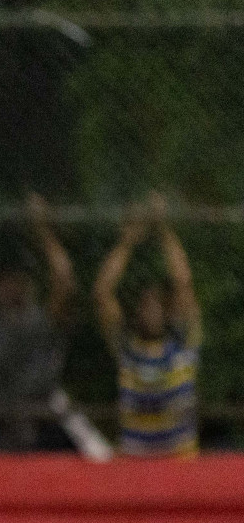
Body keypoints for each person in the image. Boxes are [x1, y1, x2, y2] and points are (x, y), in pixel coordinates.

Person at [0, 194, 78, 452]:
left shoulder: (42, 319)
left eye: (20, 279)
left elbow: (65, 281)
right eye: (6, 280)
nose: (13, 286)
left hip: (41, 416)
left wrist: (43, 231)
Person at [93, 191, 201, 457]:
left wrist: (163, 228)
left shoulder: (183, 344)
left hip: (180, 465)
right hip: (137, 467)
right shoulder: (127, 350)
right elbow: (102, 293)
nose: (151, 311)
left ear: (167, 311)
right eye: (145, 305)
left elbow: (183, 283)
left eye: (157, 305)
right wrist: (127, 242)